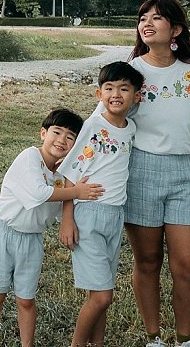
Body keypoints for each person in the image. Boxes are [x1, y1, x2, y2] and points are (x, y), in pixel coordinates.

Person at [121, 0, 190, 347]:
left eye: (157, 18)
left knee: (186, 267)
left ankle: (185, 341)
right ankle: (153, 338)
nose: (147, 22)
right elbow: (105, 123)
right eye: (142, 18)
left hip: (185, 175)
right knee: (148, 261)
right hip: (141, 171)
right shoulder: (131, 73)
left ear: (177, 30)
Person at [0, 107, 107, 347]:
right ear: (42, 133)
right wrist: (75, 190)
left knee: (26, 300)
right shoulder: (29, 157)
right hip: (3, 233)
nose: (61, 140)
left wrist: (75, 194)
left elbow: (65, 211)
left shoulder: (62, 177)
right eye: (56, 132)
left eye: (70, 137)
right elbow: (38, 194)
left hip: (31, 240)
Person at [58, 61, 144, 347]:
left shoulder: (130, 127)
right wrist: (68, 219)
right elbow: (70, 176)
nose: (115, 94)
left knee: (101, 293)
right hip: (89, 217)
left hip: (114, 216)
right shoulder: (94, 127)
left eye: (123, 88)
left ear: (136, 96)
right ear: (99, 94)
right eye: (109, 88)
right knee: (102, 295)